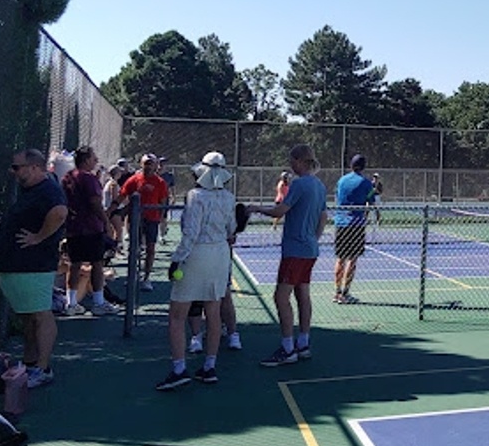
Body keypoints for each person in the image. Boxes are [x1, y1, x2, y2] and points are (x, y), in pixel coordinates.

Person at [156, 152, 238, 390]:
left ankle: (179, 369)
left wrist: (176, 260)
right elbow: (232, 229)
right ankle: (209, 366)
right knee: (213, 312)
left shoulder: (195, 196)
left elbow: (190, 233)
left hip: (197, 254)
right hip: (220, 255)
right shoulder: (229, 198)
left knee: (177, 315)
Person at [248, 144, 328, 366]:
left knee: (281, 297)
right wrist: (314, 238)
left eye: (292, 160)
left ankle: (287, 349)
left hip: (295, 250)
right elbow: (323, 217)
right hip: (309, 249)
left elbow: (279, 211)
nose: (290, 165)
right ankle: (303, 343)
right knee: (302, 294)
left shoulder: (299, 184)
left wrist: (254, 208)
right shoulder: (319, 186)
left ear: (300, 161)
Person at [0, 149, 67, 389]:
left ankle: (43, 368)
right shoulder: (31, 190)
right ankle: (30, 362)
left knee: (40, 314)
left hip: (35, 265)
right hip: (18, 265)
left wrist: (38, 237)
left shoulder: (48, 190)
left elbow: (59, 213)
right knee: (28, 317)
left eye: (17, 167)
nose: (13, 172)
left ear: (34, 168)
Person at [60, 146, 120, 316]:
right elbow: (95, 203)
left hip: (73, 228)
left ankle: (70, 303)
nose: (96, 161)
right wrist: (106, 222)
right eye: (94, 158)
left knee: (75, 263)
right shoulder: (88, 178)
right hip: (90, 228)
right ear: (86, 160)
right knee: (97, 264)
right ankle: (98, 302)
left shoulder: (67, 177)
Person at [114, 154, 171, 291]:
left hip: (152, 220)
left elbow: (163, 202)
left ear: (156, 165)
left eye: (151, 163)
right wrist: (111, 210)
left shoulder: (160, 182)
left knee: (150, 249)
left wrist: (160, 218)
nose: (149, 166)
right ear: (141, 164)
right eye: (146, 163)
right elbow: (122, 196)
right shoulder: (134, 180)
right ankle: (132, 276)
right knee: (134, 249)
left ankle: (146, 278)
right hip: (136, 220)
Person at [332, 155, 373, 304]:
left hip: (340, 223)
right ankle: (345, 292)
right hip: (356, 225)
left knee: (340, 258)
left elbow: (337, 196)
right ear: (363, 166)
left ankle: (337, 293)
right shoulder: (365, 182)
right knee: (352, 259)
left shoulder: (341, 180)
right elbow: (371, 201)